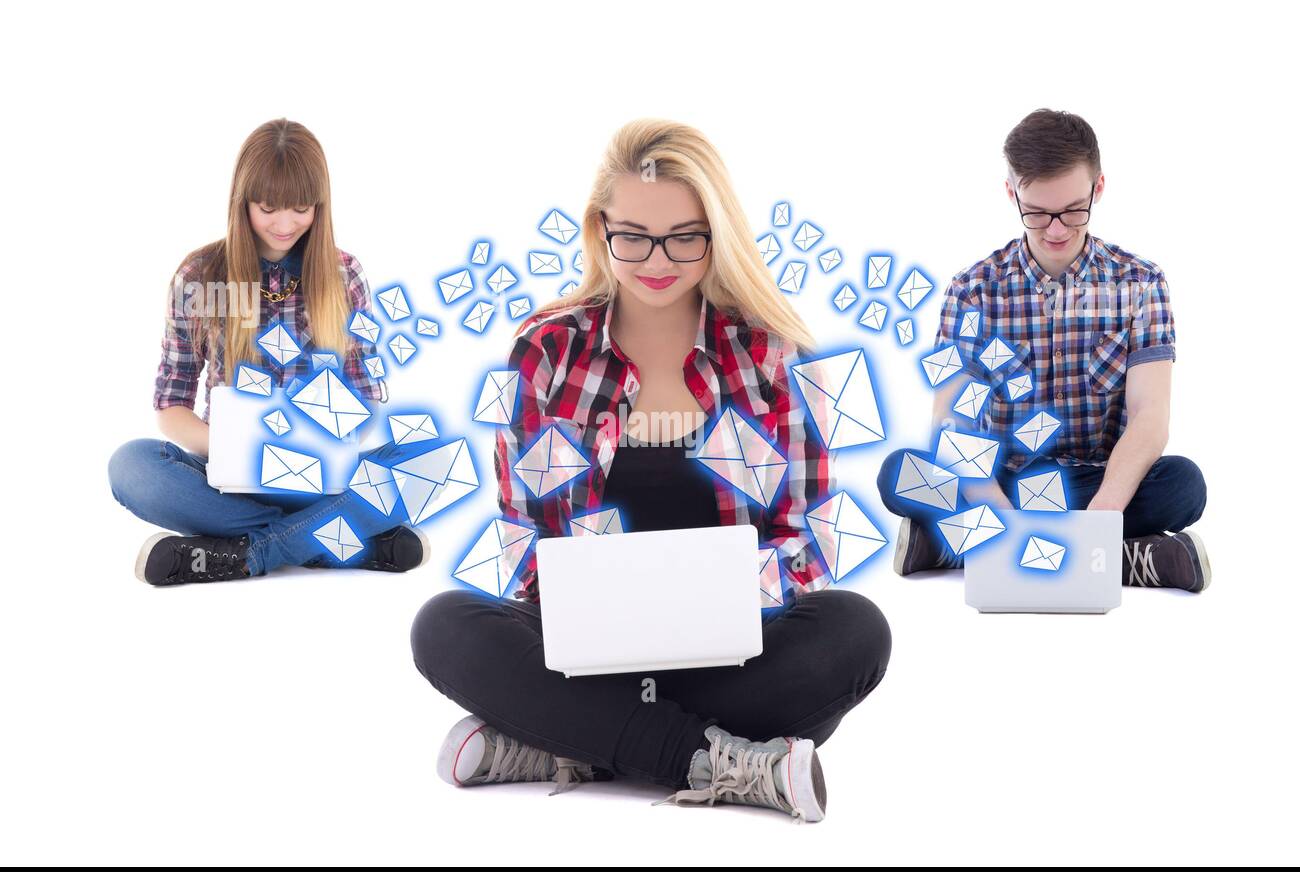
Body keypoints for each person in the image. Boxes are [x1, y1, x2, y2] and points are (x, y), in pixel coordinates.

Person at [409, 119, 892, 822]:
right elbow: (524, 533)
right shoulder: (546, 352)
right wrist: (599, 611)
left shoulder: (772, 359)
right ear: (599, 229)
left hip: (733, 659)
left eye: (684, 236)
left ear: (716, 232)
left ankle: (565, 743)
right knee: (442, 625)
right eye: (632, 235)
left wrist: (719, 601)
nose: (656, 258)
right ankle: (722, 761)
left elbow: (805, 537)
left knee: (855, 631)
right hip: (581, 655)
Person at [877, 109, 1209, 592]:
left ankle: (961, 547)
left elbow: (1149, 415)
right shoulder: (972, 291)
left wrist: (1105, 508)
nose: (1056, 230)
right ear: (1012, 193)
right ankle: (1123, 558)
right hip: (998, 483)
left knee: (1184, 485)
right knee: (897, 472)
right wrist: (1000, 512)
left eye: (1073, 210)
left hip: (1098, 482)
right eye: (1036, 212)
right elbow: (953, 423)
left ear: (1098, 189)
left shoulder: (1141, 283)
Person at [108, 118, 427, 586]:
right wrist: (238, 452)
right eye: (268, 208)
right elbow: (172, 403)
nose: (284, 225)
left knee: (427, 458)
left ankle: (248, 552)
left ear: (320, 205)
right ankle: (328, 540)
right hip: (228, 479)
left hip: (319, 478)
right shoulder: (200, 276)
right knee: (130, 465)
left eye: (301, 209)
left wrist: (324, 449)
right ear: (243, 203)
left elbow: (367, 395)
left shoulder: (344, 275)